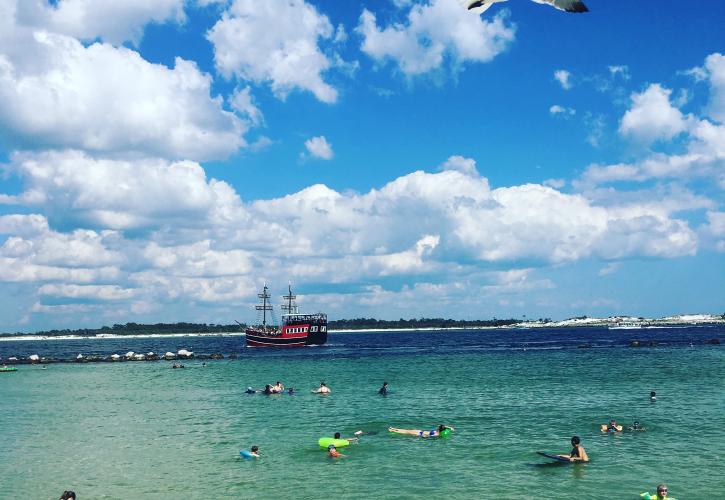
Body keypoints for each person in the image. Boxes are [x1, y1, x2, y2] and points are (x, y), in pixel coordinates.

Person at [388, 424, 454, 438]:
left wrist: (450, 428)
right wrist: (450, 428)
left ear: (439, 428)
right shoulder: (437, 433)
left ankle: (393, 429)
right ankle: (393, 430)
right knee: (406, 431)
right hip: (419, 432)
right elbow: (442, 426)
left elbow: (441, 425)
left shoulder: (436, 432)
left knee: (406, 431)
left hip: (419, 432)